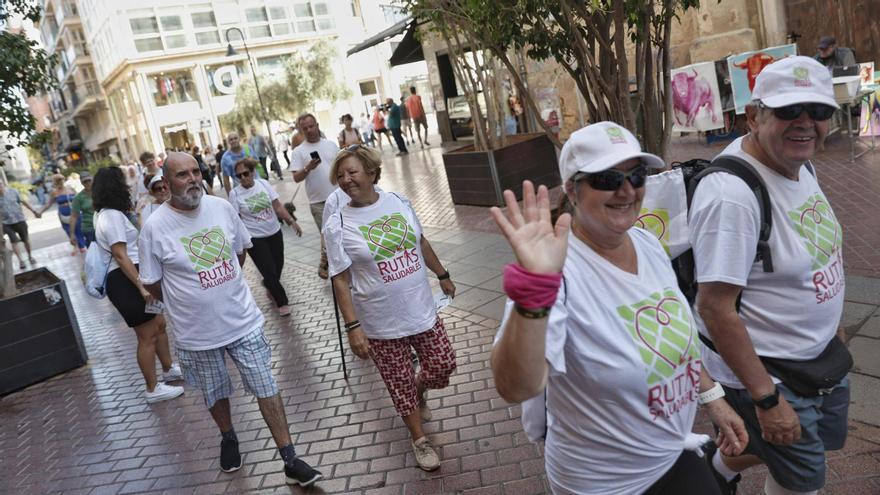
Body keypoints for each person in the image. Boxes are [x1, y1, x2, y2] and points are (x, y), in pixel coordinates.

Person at [490, 122, 748, 495]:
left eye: (637, 175)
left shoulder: (644, 241)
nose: (627, 190)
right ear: (572, 190)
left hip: (670, 453)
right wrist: (534, 291)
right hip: (606, 483)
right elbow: (515, 386)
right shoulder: (556, 271)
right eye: (608, 178)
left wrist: (713, 398)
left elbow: (672, 338)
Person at [689, 56, 849, 495]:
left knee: (795, 442)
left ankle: (715, 470)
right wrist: (766, 400)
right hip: (772, 373)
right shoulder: (731, 197)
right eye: (788, 111)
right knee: (800, 478)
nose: (806, 123)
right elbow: (714, 307)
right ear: (753, 116)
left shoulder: (799, 162)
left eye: (818, 112)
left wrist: (829, 325)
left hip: (819, 357)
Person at [138, 152, 322, 486]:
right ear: (166, 183)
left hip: (242, 321)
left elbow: (239, 252)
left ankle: (290, 458)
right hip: (197, 333)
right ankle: (228, 436)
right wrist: (186, 301)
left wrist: (220, 286)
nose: (193, 179)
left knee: (266, 384)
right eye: (183, 175)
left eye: (196, 171)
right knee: (215, 391)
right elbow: (150, 281)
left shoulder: (222, 208)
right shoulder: (154, 228)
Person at [325, 145, 457, 472]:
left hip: (421, 308)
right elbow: (340, 280)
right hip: (379, 320)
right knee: (398, 381)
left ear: (371, 172)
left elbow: (421, 241)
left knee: (443, 363)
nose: (346, 180)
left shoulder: (398, 202)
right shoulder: (338, 223)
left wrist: (442, 274)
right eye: (340, 176)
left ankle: (418, 388)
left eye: (352, 172)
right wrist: (353, 328)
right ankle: (419, 440)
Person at [92, 166, 185, 404]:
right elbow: (121, 256)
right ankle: (152, 389)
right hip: (126, 280)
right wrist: (142, 287)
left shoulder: (110, 213)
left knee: (159, 324)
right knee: (147, 336)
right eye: (121, 182)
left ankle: (168, 369)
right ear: (115, 186)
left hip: (133, 276)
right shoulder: (110, 216)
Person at [229, 157, 302, 317]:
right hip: (255, 238)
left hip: (274, 232)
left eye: (245, 173)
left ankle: (270, 284)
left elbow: (277, 206)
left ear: (252, 172)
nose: (242, 178)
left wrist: (291, 221)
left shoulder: (263, 184)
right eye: (238, 176)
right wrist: (239, 243)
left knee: (278, 266)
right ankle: (282, 301)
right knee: (268, 270)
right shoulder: (235, 194)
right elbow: (236, 220)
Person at [288, 113, 339, 280]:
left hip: (339, 197)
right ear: (301, 131)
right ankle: (333, 267)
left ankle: (333, 263)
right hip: (318, 202)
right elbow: (296, 178)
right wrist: (308, 167)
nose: (309, 130)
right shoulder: (299, 151)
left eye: (312, 126)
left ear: (317, 125)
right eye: (305, 128)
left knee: (344, 233)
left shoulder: (331, 145)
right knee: (329, 236)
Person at [0, 180, 41, 269]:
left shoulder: (13, 191)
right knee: (13, 241)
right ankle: (21, 261)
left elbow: (23, 202)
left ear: (3, 184)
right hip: (6, 223)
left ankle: (30, 256)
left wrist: (34, 211)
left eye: (0, 184)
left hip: (19, 219)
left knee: (26, 239)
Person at [42, 174, 84, 253]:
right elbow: (49, 204)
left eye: (61, 179)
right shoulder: (54, 192)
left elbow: (79, 198)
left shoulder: (70, 189)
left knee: (78, 229)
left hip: (74, 211)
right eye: (58, 180)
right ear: (54, 182)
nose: (60, 181)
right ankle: (75, 245)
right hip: (63, 213)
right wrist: (40, 212)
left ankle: (82, 246)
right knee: (68, 230)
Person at [69, 172, 96, 248]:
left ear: (93, 180)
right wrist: (72, 234)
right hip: (90, 228)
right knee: (95, 255)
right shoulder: (78, 197)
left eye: (89, 181)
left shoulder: (100, 192)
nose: (87, 183)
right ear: (81, 183)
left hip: (104, 226)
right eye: (85, 182)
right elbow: (74, 216)